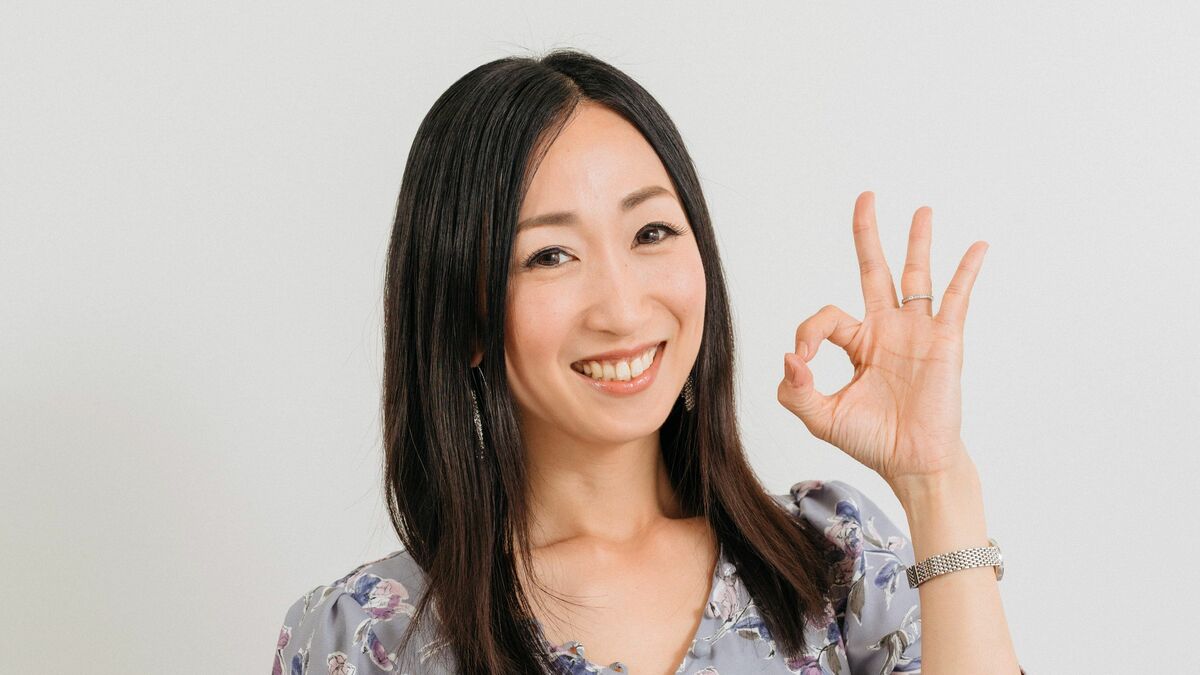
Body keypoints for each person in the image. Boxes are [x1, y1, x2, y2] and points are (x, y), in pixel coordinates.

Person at [271, 49, 1024, 675]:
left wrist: (936, 481)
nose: (624, 307)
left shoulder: (834, 565)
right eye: (551, 254)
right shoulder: (361, 639)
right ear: (465, 314)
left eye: (652, 233)